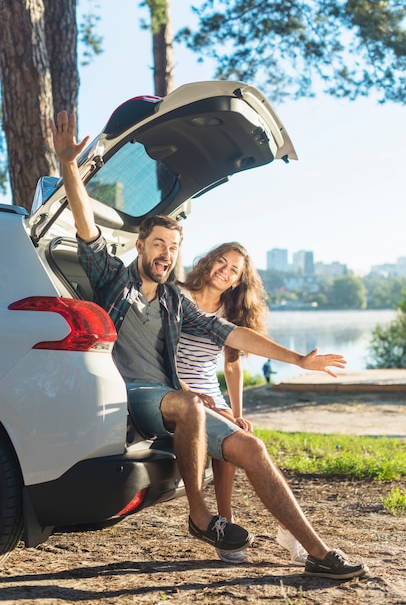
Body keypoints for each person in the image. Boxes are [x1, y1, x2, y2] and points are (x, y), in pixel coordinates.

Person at [49, 111, 368, 581]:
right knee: (193, 405)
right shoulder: (114, 280)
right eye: (158, 244)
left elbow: (232, 335)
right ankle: (202, 517)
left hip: (173, 402)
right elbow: (85, 228)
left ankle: (317, 551)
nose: (166, 253)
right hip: (129, 396)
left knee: (252, 448)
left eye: (173, 247)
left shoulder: (177, 300)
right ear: (140, 246)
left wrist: (299, 358)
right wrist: (69, 167)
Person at [177, 242, 307, 566]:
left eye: (233, 269)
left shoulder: (228, 313)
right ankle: (237, 526)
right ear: (209, 263)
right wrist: (193, 394)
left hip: (212, 394)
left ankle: (239, 527)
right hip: (180, 391)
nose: (225, 270)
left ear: (236, 281)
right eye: (221, 261)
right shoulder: (178, 297)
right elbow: (160, 356)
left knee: (237, 430)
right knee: (237, 439)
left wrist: (237, 412)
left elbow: (232, 366)